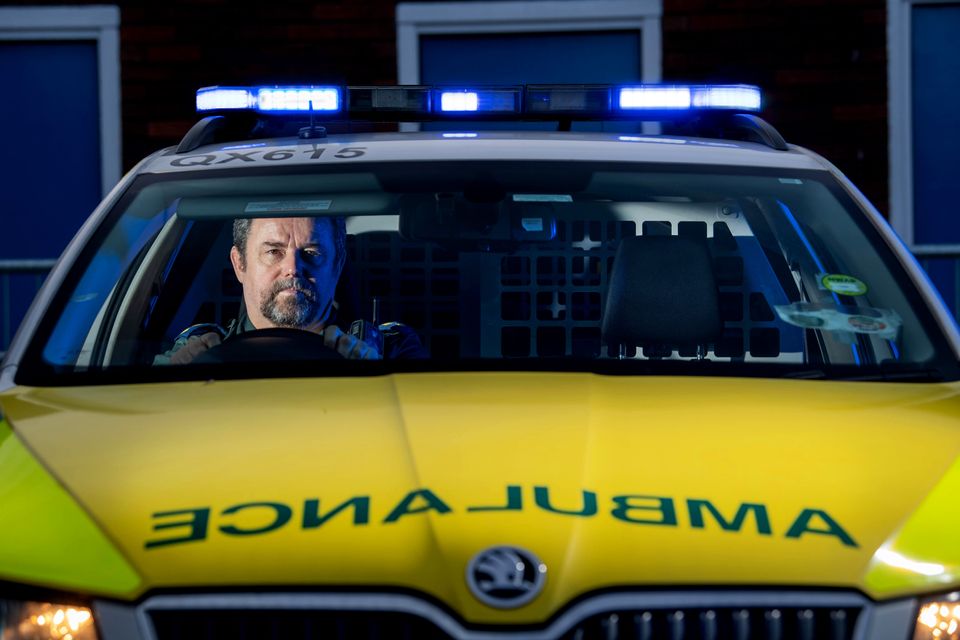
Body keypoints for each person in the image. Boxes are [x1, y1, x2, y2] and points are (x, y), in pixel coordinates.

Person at [156, 215, 424, 364]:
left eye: (311, 252)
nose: (293, 268)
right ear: (239, 264)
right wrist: (169, 383)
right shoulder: (194, 354)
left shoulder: (391, 350)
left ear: (338, 263)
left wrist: (377, 381)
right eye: (274, 251)